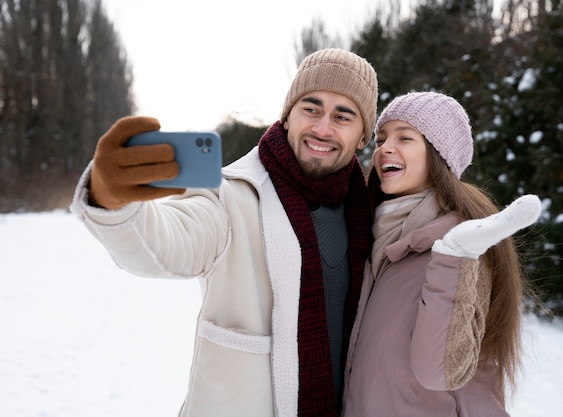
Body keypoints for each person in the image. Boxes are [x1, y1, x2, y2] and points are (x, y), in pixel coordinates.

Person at [70, 48, 378, 417]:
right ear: (286, 117)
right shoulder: (231, 195)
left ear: (363, 136)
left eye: (342, 116)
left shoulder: (370, 216)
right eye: (310, 109)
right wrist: (112, 199)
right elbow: (165, 244)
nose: (322, 128)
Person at [341, 92, 542, 416]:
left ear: (439, 156)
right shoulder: (379, 241)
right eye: (380, 139)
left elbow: (438, 372)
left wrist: (453, 256)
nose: (384, 149)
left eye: (405, 137)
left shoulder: (464, 248)